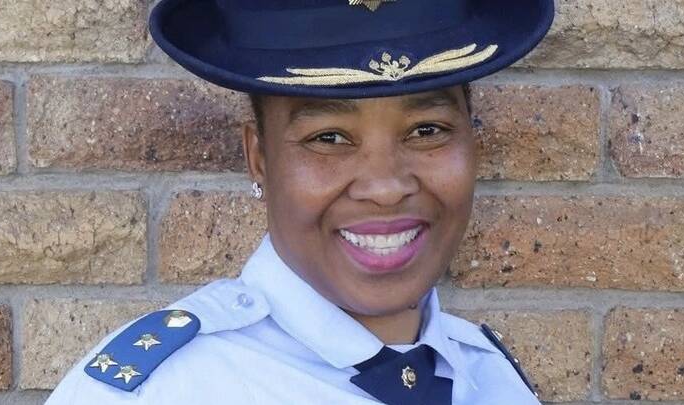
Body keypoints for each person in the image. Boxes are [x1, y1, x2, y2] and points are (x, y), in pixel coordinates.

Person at [45, 0, 555, 403]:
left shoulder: (492, 379)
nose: (385, 186)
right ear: (259, 158)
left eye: (427, 130)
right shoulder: (164, 392)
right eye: (329, 138)